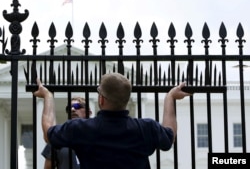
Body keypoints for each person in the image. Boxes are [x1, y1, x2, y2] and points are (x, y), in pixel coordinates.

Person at [34, 72, 191, 169]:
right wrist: (170, 97)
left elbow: (48, 133)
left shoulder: (81, 129)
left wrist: (48, 96)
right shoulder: (146, 128)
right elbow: (170, 137)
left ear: (101, 100)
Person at [41, 97, 92, 169]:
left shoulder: (97, 134)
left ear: (89, 112)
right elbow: (48, 167)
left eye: (77, 106)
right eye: (69, 108)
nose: (72, 109)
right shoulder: (59, 135)